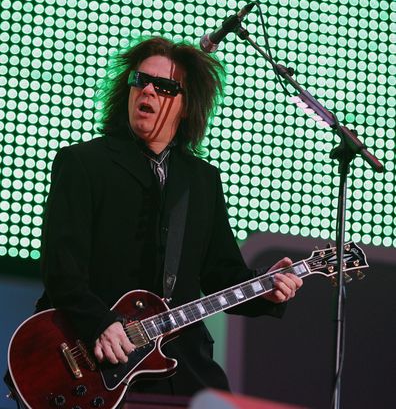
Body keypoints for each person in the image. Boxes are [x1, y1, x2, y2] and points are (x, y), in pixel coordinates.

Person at [38, 36, 303, 397]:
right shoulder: (83, 163)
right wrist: (101, 323)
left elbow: (220, 274)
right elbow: (61, 266)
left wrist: (266, 290)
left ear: (186, 104)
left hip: (179, 362)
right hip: (93, 355)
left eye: (162, 86)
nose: (147, 90)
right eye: (139, 80)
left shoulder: (202, 180)